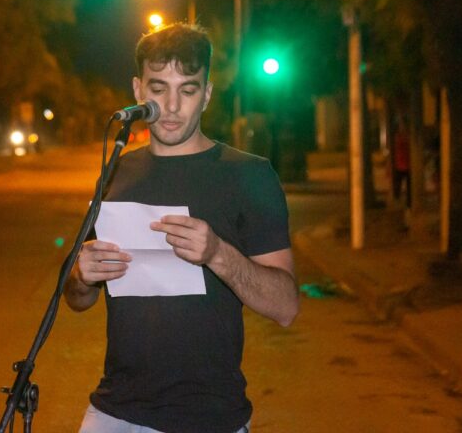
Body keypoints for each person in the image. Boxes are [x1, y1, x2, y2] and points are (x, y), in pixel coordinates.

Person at [64, 23, 299, 433]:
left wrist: (218, 253)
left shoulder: (249, 175)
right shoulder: (118, 169)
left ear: (206, 94)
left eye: (187, 90)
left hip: (210, 416)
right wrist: (82, 277)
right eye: (159, 88)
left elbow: (286, 307)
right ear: (138, 89)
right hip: (115, 410)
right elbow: (76, 300)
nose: (171, 106)